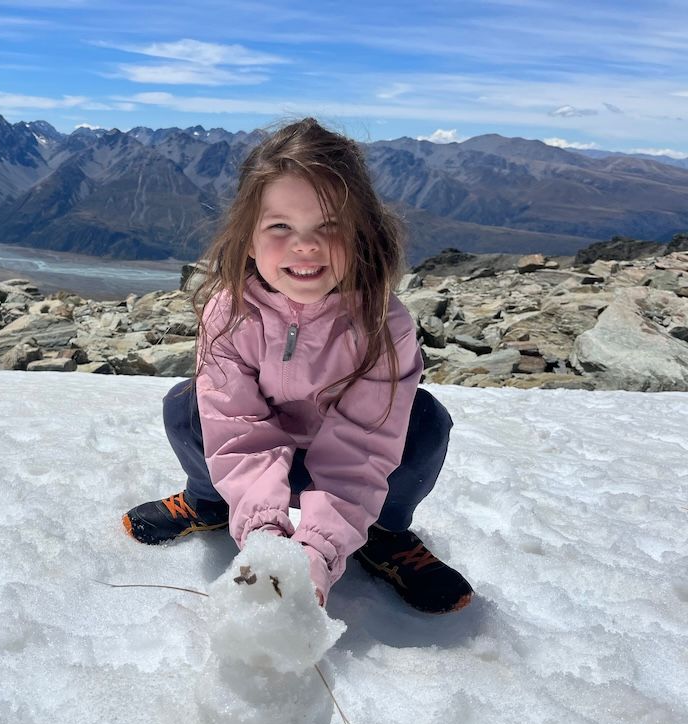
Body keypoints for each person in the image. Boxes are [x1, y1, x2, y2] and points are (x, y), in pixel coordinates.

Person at [123, 118, 472, 614]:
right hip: (261, 460)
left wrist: (317, 553)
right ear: (247, 238)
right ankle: (210, 501)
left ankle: (380, 532)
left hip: (351, 468)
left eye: (329, 226)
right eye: (279, 226)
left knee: (425, 422)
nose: (305, 246)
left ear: (362, 236)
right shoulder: (229, 314)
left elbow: (363, 449)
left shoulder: (380, 323)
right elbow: (239, 431)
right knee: (186, 405)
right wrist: (265, 540)